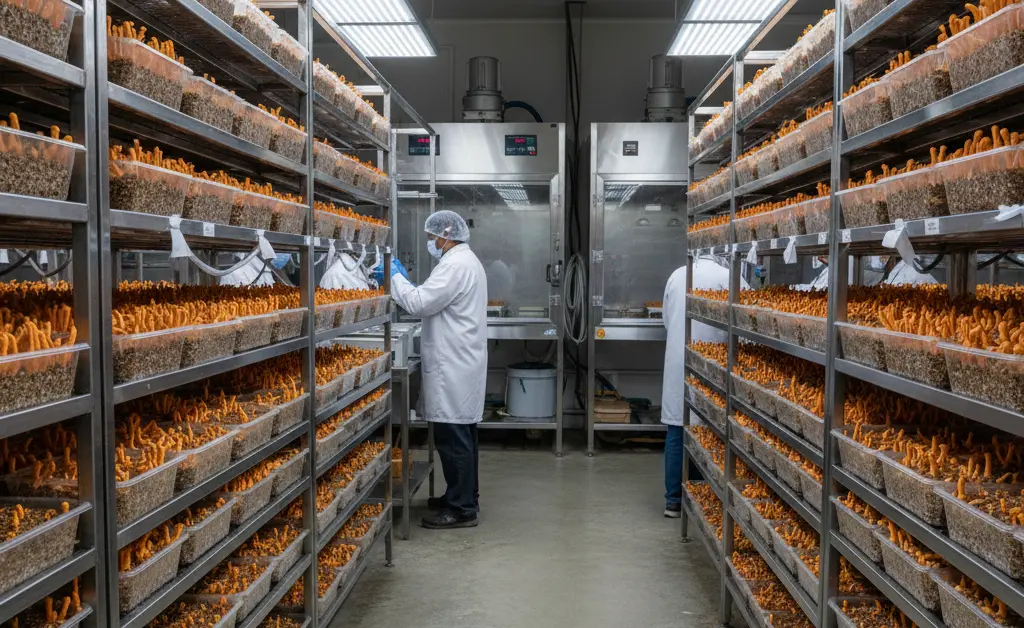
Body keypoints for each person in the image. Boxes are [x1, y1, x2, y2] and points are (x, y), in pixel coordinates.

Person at [376, 210, 488, 529]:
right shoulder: (464, 261)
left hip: (454, 365)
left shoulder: (455, 265)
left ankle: (461, 509)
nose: (430, 243)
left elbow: (419, 303)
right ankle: (463, 496)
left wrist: (394, 277)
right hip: (458, 362)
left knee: (453, 440)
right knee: (461, 436)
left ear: (445, 236)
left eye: (431, 238)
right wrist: (402, 281)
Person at [661, 258, 738, 518]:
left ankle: (673, 501)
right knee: (711, 430)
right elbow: (743, 322)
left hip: (679, 359)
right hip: (714, 361)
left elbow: (666, 319)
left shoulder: (677, 275)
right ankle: (706, 496)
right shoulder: (728, 276)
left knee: (677, 429)